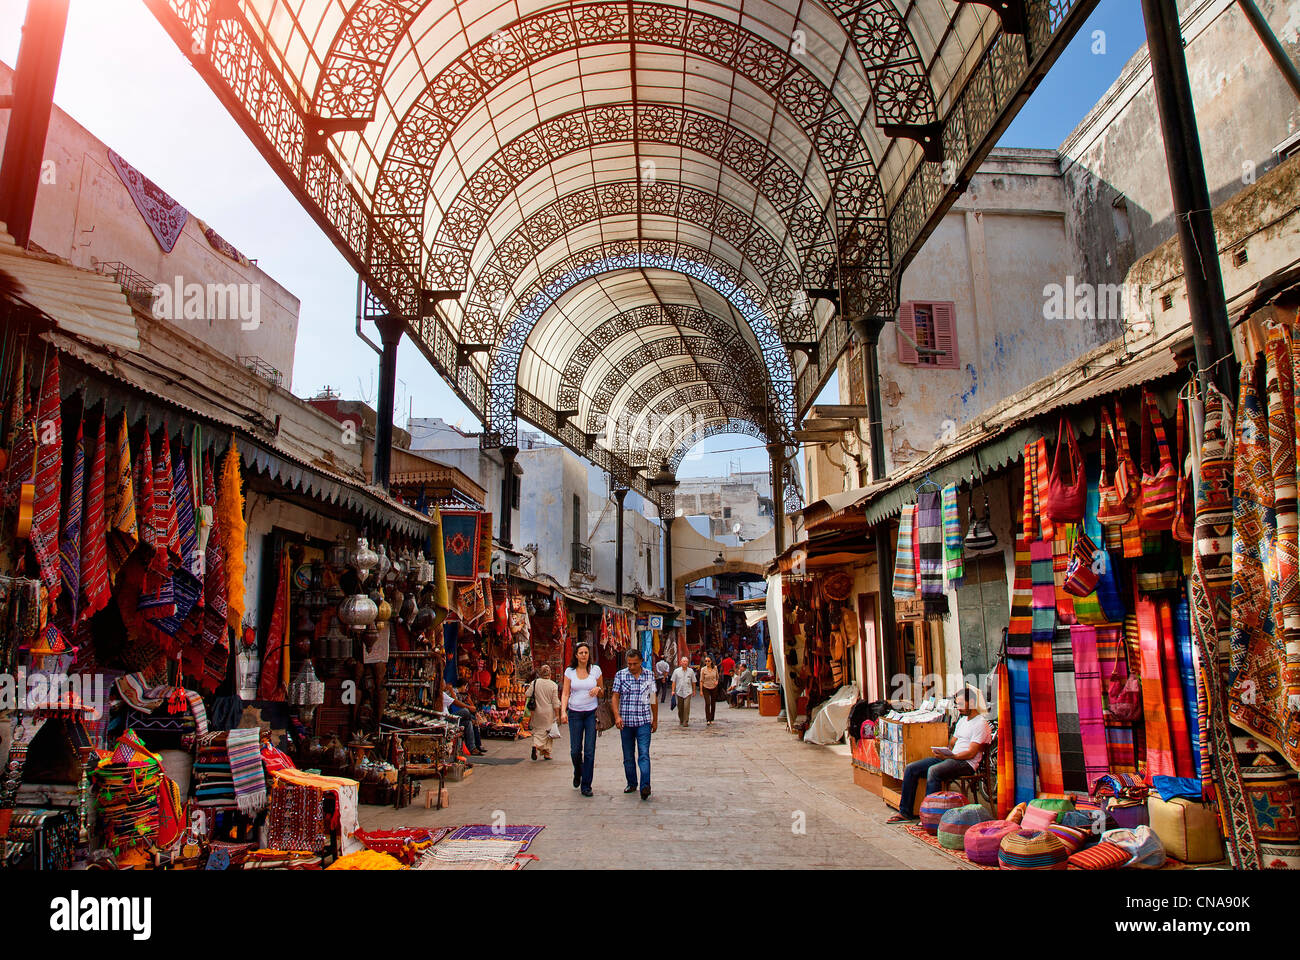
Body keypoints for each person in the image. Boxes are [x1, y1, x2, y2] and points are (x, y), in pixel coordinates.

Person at [887, 686, 993, 823]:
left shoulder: (980, 723)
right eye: (957, 704)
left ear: (971, 703)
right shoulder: (962, 721)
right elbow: (952, 742)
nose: (958, 708)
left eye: (961, 704)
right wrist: (944, 750)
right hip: (952, 758)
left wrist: (950, 756)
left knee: (934, 771)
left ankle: (930, 818)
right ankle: (905, 812)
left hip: (966, 763)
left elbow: (971, 753)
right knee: (911, 768)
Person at [611, 648, 658, 800]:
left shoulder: (649, 675)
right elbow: (615, 697)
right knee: (628, 755)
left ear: (641, 663)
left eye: (634, 664)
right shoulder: (621, 675)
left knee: (644, 754)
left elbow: (653, 698)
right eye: (629, 664)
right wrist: (617, 716)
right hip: (626, 722)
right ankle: (632, 783)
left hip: (643, 721)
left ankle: (645, 785)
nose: (631, 667)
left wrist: (655, 718)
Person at [560, 641, 603, 797]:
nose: (584, 655)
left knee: (590, 751)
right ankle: (578, 771)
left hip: (591, 714)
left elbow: (603, 691)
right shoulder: (570, 672)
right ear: (576, 655)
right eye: (581, 653)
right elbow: (565, 693)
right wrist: (563, 711)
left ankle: (586, 785)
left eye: (586, 652)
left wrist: (598, 689)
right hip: (575, 713)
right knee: (575, 750)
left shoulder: (596, 670)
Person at [526, 665, 561, 761]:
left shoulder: (535, 683)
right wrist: (557, 715)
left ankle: (544, 752)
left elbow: (527, 694)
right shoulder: (553, 685)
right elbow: (555, 702)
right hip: (548, 712)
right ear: (550, 673)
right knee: (548, 732)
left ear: (540, 673)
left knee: (538, 730)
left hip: (537, 711)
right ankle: (537, 746)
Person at [442, 685, 485, 756]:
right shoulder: (442, 694)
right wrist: (469, 707)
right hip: (445, 719)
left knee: (468, 723)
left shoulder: (445, 693)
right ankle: (472, 719)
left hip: (449, 717)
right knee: (465, 711)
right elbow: (455, 702)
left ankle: (472, 748)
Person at [670, 656, 697, 726]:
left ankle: (686, 721)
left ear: (688, 663)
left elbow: (694, 681)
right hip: (679, 692)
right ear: (681, 663)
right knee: (680, 707)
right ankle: (681, 719)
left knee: (686, 707)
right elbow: (674, 681)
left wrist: (694, 691)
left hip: (688, 692)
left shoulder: (691, 671)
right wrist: (673, 691)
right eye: (683, 661)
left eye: (686, 662)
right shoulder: (676, 671)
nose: (685, 663)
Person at [699, 655, 721, 725]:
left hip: (714, 687)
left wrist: (717, 681)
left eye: (708, 661)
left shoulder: (715, 668)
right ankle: (708, 719)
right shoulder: (703, 669)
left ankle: (712, 718)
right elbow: (701, 680)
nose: (707, 662)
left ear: (711, 661)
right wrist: (701, 690)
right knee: (707, 703)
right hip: (706, 687)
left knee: (713, 703)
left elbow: (717, 677)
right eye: (706, 661)